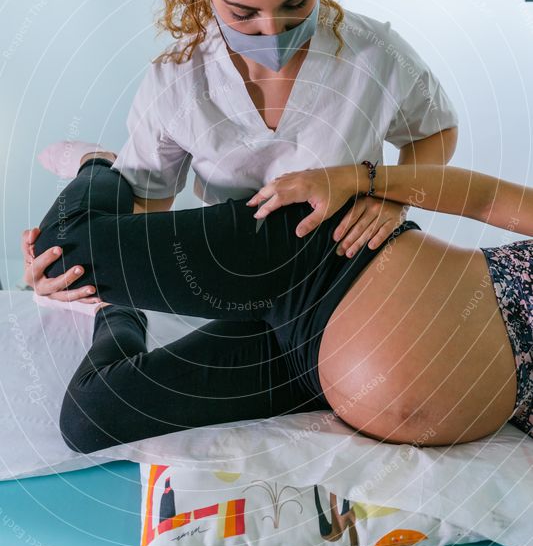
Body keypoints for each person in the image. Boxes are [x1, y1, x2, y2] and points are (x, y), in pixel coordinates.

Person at [22, 0, 459, 306]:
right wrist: (82, 274)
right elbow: (146, 213)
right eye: (243, 12)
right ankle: (96, 167)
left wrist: (394, 195)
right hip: (237, 262)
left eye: (297, 2)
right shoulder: (178, 81)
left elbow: (436, 130)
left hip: (338, 262)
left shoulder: (374, 54)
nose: (272, 30)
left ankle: (98, 164)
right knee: (67, 252)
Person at [31, 151, 532, 455]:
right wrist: (363, 179)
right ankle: (99, 164)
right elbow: (485, 198)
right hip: (325, 259)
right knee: (65, 250)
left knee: (91, 416)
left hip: (310, 374)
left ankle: (115, 310)